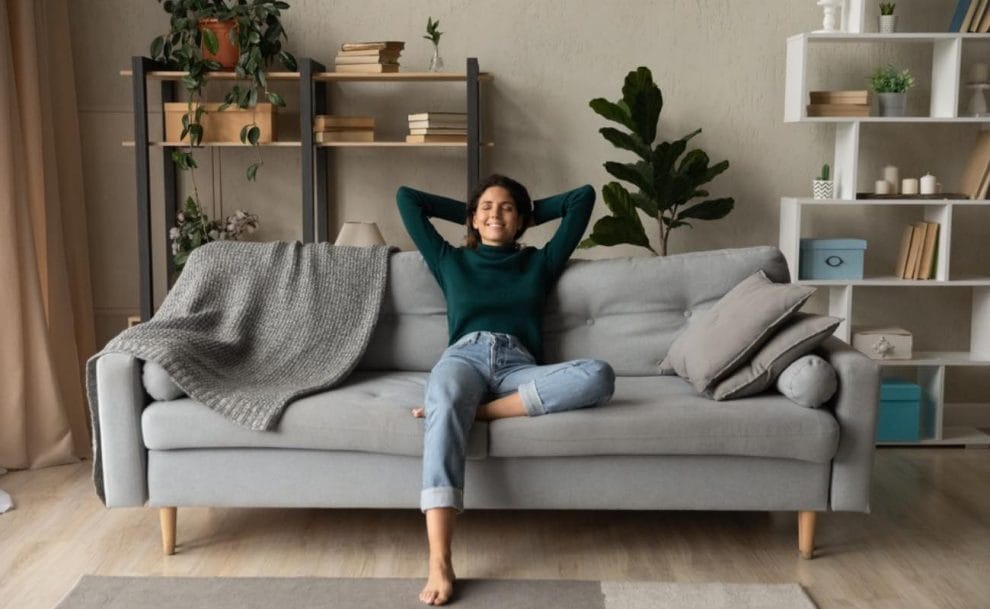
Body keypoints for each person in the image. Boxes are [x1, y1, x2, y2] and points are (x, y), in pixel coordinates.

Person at [396, 175, 616, 606]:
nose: (495, 214)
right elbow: (408, 198)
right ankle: (440, 560)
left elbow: (582, 198)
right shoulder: (449, 259)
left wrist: (528, 211)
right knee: (443, 397)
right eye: (486, 209)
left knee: (599, 375)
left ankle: (479, 412)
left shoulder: (541, 261)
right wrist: (474, 205)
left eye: (507, 208)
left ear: (521, 222)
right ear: (473, 220)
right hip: (464, 357)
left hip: (520, 365)